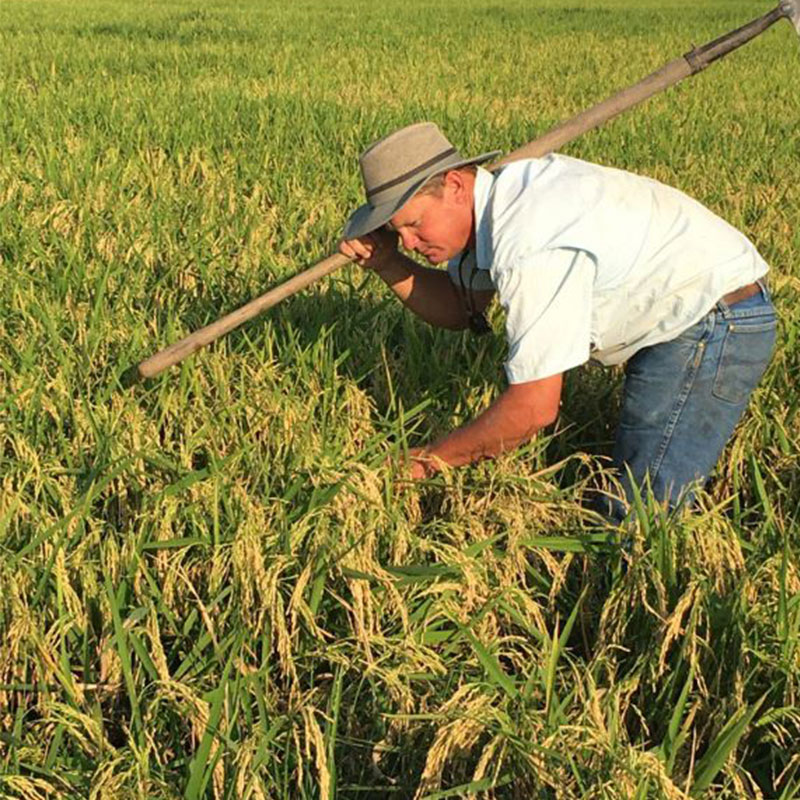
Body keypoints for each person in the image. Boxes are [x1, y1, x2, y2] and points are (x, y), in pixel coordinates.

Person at [339, 122, 777, 521]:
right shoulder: (499, 202)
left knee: (638, 516)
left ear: (455, 185)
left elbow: (534, 408)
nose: (411, 243)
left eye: (414, 226)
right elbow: (460, 307)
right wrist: (386, 263)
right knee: (635, 493)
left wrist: (426, 460)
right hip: (687, 313)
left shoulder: (530, 238)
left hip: (713, 321)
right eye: (399, 234)